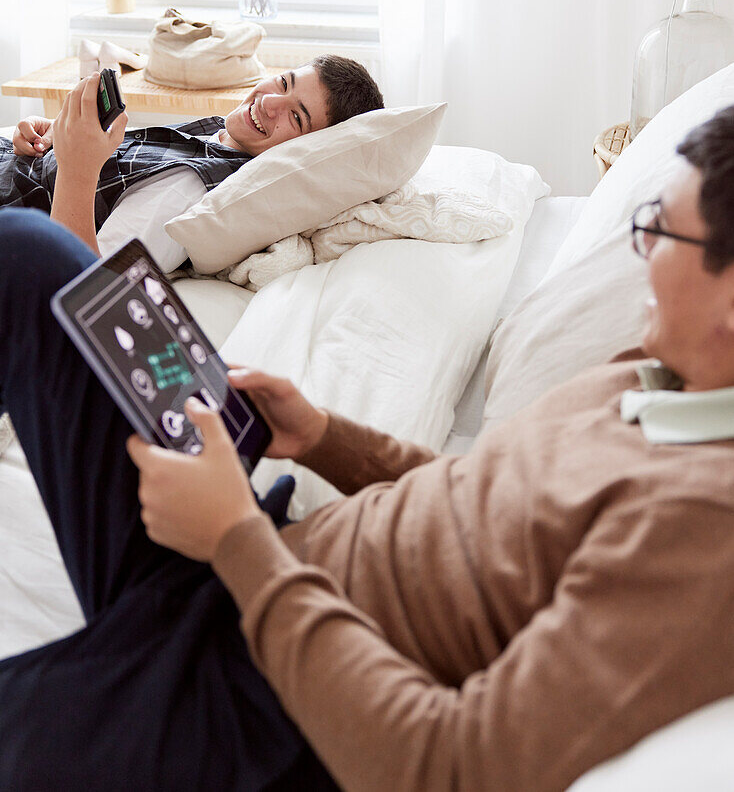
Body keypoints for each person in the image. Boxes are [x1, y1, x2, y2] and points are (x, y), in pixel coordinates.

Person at [2, 106, 734, 792]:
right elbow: (491, 500)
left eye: (661, 231)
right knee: (29, 254)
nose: (641, 253)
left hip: (273, 701)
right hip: (264, 565)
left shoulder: (701, 531)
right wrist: (324, 437)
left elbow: (453, 767)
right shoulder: (655, 380)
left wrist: (236, 539)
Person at [0, 54, 384, 270]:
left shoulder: (189, 192)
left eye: (297, 117)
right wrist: (56, 138)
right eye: (284, 83)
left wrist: (74, 168)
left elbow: (90, 283)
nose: (269, 102)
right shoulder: (220, 133)